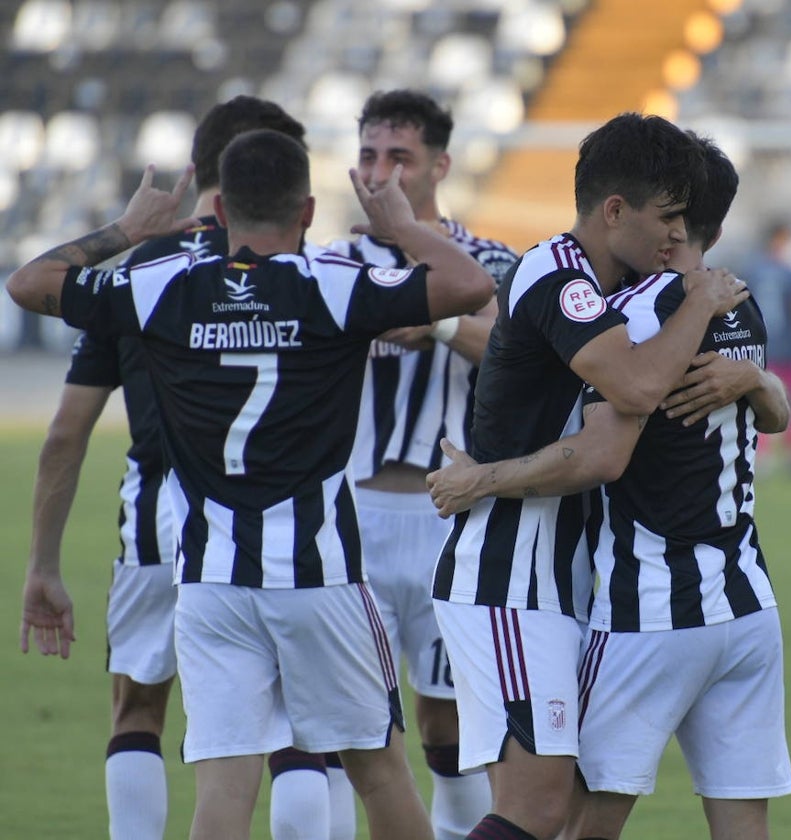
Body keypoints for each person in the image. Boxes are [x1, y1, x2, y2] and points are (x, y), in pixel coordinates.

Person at [8, 128, 494, 839]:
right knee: (378, 769)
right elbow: (470, 286)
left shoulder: (163, 285)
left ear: (221, 210)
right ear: (305, 210)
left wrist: (126, 229)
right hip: (318, 574)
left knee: (224, 785)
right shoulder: (329, 285)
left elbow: (28, 283)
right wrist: (403, 227)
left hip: (211, 579)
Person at [427, 135, 791, 840]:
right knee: (540, 809)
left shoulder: (632, 297)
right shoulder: (582, 280)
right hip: (512, 571)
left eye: (679, 220)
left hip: (591, 584)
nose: (671, 235)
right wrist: (479, 479)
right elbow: (619, 421)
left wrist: (756, 378)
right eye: (664, 217)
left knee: (551, 812)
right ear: (619, 210)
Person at [15, 95, 351, 840]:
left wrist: (43, 562)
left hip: (156, 515)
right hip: (280, 519)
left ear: (202, 171)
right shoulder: (308, 271)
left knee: (138, 709)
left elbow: (67, 431)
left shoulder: (141, 272)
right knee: (302, 729)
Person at [324, 89, 515, 840]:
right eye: (369, 155)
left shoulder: (490, 260)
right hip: (350, 520)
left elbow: (513, 351)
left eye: (398, 157)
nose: (380, 173)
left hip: (449, 523)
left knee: (450, 723)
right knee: (350, 728)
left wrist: (436, 323)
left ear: (439, 163)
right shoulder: (332, 262)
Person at [742, 222, 791, 476]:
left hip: (761, 346)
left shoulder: (753, 271)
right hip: (788, 347)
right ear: (780, 240)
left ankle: (762, 457)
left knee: (761, 400)